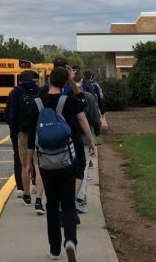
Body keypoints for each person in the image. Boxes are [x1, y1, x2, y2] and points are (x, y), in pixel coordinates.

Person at [24, 66, 93, 262]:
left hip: (46, 164)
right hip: (66, 162)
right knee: (69, 205)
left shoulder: (36, 103)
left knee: (52, 206)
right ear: (64, 83)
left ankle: (55, 249)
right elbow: (83, 103)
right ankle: (70, 241)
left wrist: (29, 163)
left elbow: (31, 136)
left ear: (48, 80)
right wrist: (73, 82)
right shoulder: (69, 101)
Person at [70, 71, 97, 214]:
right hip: (83, 138)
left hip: (66, 138)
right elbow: (91, 118)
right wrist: (94, 136)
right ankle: (79, 199)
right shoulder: (88, 97)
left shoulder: (61, 95)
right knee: (82, 168)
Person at [5, 71, 34, 200]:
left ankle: (21, 187)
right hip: (34, 130)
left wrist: (13, 128)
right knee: (35, 158)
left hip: (17, 131)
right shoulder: (37, 91)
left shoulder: (14, 92)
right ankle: (35, 183)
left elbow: (8, 114)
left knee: (19, 158)